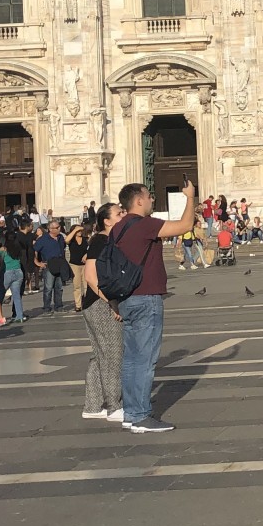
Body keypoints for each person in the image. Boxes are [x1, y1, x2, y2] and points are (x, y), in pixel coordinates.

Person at [112, 179, 197, 433]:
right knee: (145, 360)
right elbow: (185, 226)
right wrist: (190, 197)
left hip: (126, 298)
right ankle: (139, 415)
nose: (152, 200)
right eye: (149, 196)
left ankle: (130, 411)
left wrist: (114, 302)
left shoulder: (119, 228)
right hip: (146, 298)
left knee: (131, 360)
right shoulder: (144, 224)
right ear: (138, 200)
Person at [79, 201, 125, 422]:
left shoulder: (105, 240)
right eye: (118, 213)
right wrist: (112, 302)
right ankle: (114, 406)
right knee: (112, 354)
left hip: (94, 303)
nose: (123, 215)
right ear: (107, 221)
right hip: (100, 303)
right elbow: (90, 276)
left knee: (100, 356)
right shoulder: (101, 240)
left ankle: (92, 405)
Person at [34, 219, 69, 315]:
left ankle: (59, 306)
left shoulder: (61, 237)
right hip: (49, 264)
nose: (59, 229)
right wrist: (37, 262)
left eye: (59, 227)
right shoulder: (43, 239)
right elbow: (35, 250)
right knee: (48, 287)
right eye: (57, 228)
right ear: (50, 229)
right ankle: (47, 307)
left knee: (59, 287)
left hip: (60, 264)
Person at [0, 222, 28, 323]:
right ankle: (19, 316)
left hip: (8, 272)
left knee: (0, 294)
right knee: (16, 295)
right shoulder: (18, 248)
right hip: (19, 272)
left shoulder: (4, 249)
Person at [65, 223, 91, 310]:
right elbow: (66, 240)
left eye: (80, 230)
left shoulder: (85, 239)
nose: (80, 232)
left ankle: (87, 303)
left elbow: (92, 248)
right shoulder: (71, 240)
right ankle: (78, 305)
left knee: (87, 285)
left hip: (85, 265)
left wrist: (87, 255)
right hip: (74, 265)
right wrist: (75, 230)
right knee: (77, 286)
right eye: (78, 231)